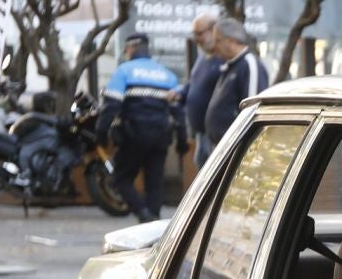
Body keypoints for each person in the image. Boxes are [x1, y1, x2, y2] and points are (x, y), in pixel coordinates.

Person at [95, 31, 183, 223]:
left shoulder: (124, 71)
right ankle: (154, 223)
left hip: (133, 134)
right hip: (161, 135)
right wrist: (182, 140)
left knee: (121, 179)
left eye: (126, 49)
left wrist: (101, 133)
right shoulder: (167, 75)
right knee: (155, 182)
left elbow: (112, 105)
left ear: (132, 48)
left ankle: (144, 215)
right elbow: (178, 111)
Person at [203, 18, 269, 152]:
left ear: (231, 41)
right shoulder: (230, 65)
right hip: (221, 147)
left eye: (217, 41)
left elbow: (253, 112)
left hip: (235, 150)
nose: (214, 46)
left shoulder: (248, 64)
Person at [183, 12, 224, 166]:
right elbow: (193, 83)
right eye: (194, 34)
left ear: (214, 30)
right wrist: (181, 93)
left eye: (199, 33)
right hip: (201, 132)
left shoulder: (223, 58)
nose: (196, 39)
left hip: (215, 133)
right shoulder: (203, 57)